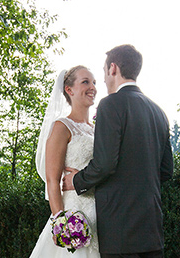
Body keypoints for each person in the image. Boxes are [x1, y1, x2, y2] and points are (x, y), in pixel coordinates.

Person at [63, 45, 174, 258]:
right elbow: (166, 170)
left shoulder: (110, 104)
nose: (103, 80)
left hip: (120, 229)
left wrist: (77, 180)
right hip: (152, 230)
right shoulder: (159, 112)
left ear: (113, 68)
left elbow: (105, 164)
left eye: (104, 71)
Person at [29, 65, 100, 258]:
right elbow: (52, 180)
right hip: (74, 214)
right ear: (69, 90)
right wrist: (60, 222)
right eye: (85, 82)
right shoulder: (61, 127)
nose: (92, 87)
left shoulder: (97, 129)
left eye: (94, 82)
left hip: (101, 213)